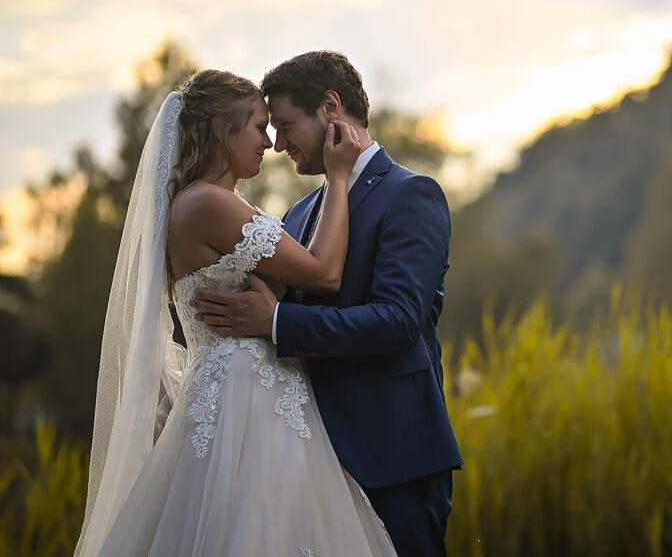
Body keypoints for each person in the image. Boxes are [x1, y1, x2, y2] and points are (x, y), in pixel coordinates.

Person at [75, 69, 396, 556]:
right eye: (258, 126)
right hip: (247, 402)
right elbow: (324, 271)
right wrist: (337, 176)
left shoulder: (202, 203)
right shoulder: (209, 203)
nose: (268, 141)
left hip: (239, 391)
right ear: (222, 131)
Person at [190, 51, 463, 556]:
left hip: (392, 456)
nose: (278, 144)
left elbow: (400, 321)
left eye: (287, 124)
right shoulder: (298, 213)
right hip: (307, 462)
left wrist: (276, 320)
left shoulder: (411, 195)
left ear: (330, 108)